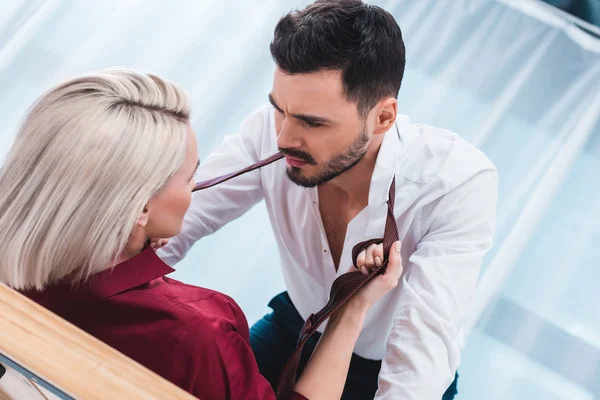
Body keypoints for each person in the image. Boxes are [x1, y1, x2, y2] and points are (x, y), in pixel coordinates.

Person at [158, 1, 499, 399]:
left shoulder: (453, 183)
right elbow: (177, 224)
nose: (284, 137)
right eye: (279, 110)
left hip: (387, 369)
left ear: (383, 118)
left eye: (313, 122)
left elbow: (421, 352)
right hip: (298, 327)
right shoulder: (269, 133)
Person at [0, 68, 404, 400]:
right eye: (192, 176)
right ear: (140, 207)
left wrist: (126, 240)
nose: (196, 188)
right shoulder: (196, 333)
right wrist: (350, 312)